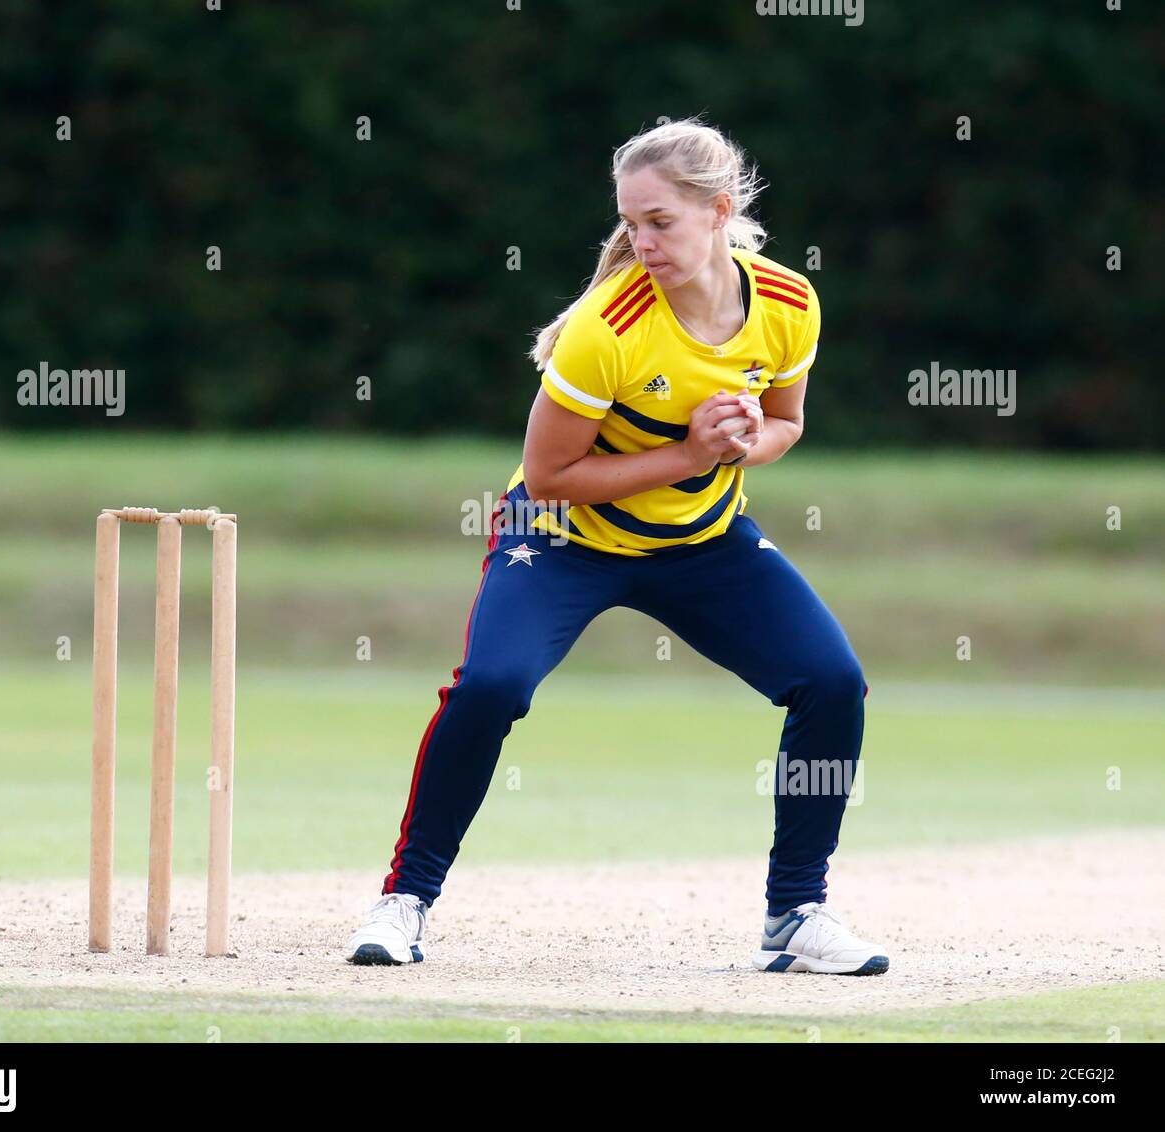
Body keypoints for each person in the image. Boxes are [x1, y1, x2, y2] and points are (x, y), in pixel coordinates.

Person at [345, 118, 888, 976]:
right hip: (561, 539)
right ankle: (404, 901)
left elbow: (787, 422)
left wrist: (745, 443)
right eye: (631, 222)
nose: (641, 242)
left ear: (720, 210)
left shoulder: (787, 302)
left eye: (660, 223)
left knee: (831, 681)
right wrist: (693, 452)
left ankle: (795, 915)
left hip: (701, 542)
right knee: (491, 686)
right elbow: (548, 475)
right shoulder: (609, 326)